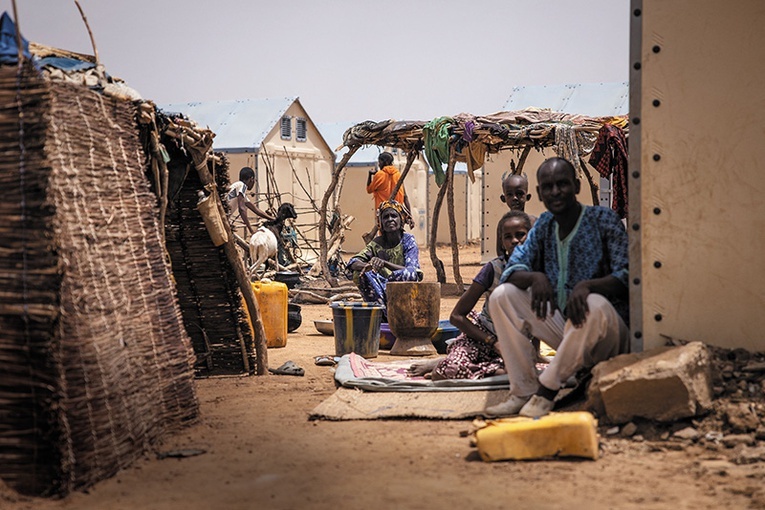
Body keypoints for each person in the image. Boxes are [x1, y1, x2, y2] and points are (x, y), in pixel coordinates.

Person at [485, 157, 629, 419]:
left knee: (593, 303)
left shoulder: (603, 220)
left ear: (576, 185)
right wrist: (535, 278)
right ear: (539, 193)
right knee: (502, 296)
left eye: (562, 184)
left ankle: (547, 391)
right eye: (548, 186)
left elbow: (627, 277)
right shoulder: (543, 226)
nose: (555, 192)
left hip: (608, 336)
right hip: (567, 333)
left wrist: (588, 286)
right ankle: (523, 391)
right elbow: (512, 270)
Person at [407, 211, 531, 380]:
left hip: (513, 344)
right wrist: (493, 342)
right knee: (446, 372)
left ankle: (451, 364)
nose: (515, 241)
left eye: (521, 235)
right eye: (508, 237)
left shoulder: (540, 271)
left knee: (518, 372)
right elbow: (456, 316)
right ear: (502, 242)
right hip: (480, 338)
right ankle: (451, 363)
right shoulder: (493, 269)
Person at [346, 200, 422, 308]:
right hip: (381, 290)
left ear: (401, 219)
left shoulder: (408, 241)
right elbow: (353, 262)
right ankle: (380, 313)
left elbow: (412, 271)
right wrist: (368, 266)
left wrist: (384, 263)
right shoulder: (377, 244)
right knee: (360, 273)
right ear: (380, 222)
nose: (390, 219)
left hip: (404, 291)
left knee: (409, 274)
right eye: (386, 217)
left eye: (394, 216)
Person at [363, 152, 414, 243]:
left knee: (384, 239)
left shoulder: (379, 175)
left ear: (385, 161)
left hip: (384, 213)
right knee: (398, 237)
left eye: (380, 161)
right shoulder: (398, 174)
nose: (379, 164)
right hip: (397, 212)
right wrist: (409, 215)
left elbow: (369, 189)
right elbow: (405, 196)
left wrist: (370, 175)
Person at [227, 167, 275, 236]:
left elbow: (255, 209)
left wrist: (272, 218)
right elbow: (242, 209)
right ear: (251, 179)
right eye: (254, 181)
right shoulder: (242, 186)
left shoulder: (239, 190)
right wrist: (251, 230)